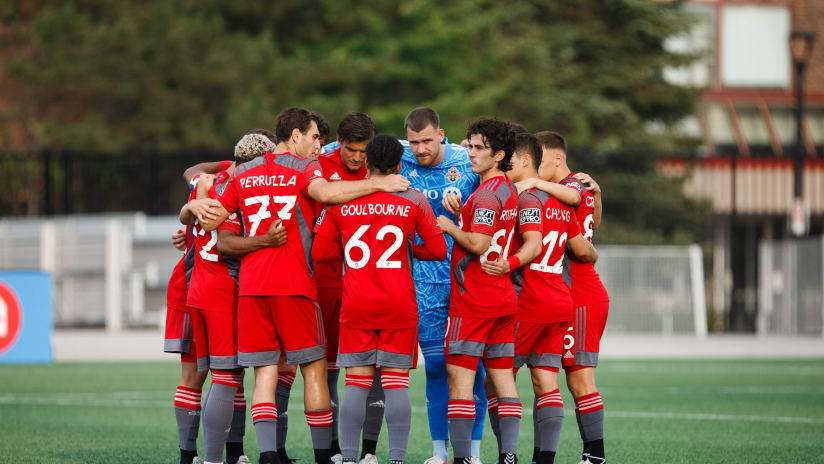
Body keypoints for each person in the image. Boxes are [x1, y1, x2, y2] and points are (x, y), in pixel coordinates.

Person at [202, 108, 409, 464]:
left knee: (265, 374)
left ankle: (268, 454)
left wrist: (192, 206)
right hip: (294, 284)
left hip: (252, 289)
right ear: (295, 135)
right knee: (315, 370)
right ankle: (323, 456)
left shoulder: (244, 172)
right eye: (314, 137)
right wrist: (379, 183)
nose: (318, 145)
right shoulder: (304, 167)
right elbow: (324, 193)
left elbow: (213, 219)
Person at [313, 134, 447, 464]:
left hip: (357, 301)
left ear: (367, 164)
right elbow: (437, 249)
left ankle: (348, 457)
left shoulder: (342, 199)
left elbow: (320, 253)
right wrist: (406, 250)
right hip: (398, 303)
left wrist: (352, 251)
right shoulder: (413, 198)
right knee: (396, 384)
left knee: (356, 384)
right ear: (399, 165)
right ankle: (397, 459)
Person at [482, 133, 597, 464]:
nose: (504, 167)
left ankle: (507, 456)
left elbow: (517, 245)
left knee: (496, 379)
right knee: (546, 380)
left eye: (508, 161)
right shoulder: (561, 201)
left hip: (528, 301)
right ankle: (544, 459)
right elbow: (584, 249)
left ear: (523, 161)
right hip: (559, 301)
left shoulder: (522, 199)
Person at [436, 119, 520, 464]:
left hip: (473, 301)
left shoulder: (486, 194)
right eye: (469, 146)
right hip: (501, 299)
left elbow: (479, 243)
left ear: (498, 155)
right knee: (503, 380)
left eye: (479, 148)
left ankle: (462, 459)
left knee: (460, 381)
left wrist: (448, 226)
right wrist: (463, 217)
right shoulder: (505, 189)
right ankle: (509, 456)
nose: (470, 153)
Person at [530, 131, 609, 464]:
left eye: (540, 161)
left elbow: (582, 243)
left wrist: (533, 183)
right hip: (560, 293)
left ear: (558, 158)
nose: (534, 168)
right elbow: (593, 223)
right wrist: (599, 196)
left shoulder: (571, 188)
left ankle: (595, 457)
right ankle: (542, 456)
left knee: (579, 380)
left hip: (580, 292)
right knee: (544, 377)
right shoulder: (578, 187)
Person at [314, 111, 385, 464]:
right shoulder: (318, 166)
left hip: (372, 285)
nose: (358, 158)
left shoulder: (383, 165)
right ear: (338, 143)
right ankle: (333, 449)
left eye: (363, 151)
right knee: (327, 368)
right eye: (351, 150)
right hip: (327, 282)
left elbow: (432, 147)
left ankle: (369, 451)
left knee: (374, 370)